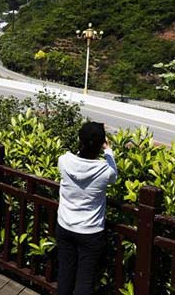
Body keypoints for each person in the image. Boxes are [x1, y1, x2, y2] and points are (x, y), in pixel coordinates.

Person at [56, 122, 118, 295]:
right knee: (85, 280)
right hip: (91, 231)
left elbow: (78, 157)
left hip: (65, 225)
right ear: (101, 144)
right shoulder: (106, 171)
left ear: (79, 140)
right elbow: (114, 172)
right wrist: (108, 150)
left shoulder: (64, 160)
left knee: (65, 274)